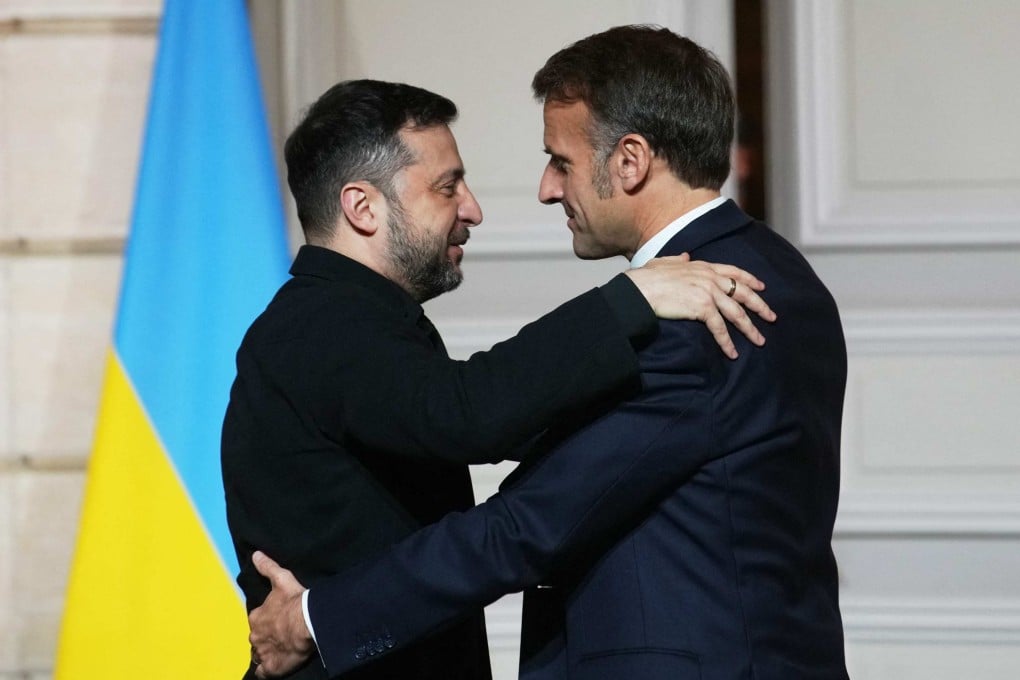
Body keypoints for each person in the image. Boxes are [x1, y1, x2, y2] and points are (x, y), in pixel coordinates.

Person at [248, 26, 848, 680]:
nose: (545, 188)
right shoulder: (767, 269)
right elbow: (483, 415)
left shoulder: (703, 310)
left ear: (630, 161)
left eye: (559, 161)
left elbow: (526, 523)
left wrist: (317, 621)